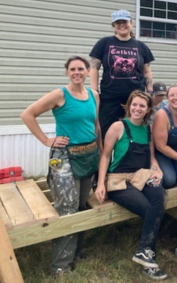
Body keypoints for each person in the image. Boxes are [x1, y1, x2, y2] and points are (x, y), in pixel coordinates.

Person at [21, 55, 101, 276]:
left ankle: (74, 253)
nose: (77, 72)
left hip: (88, 155)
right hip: (64, 157)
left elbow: (96, 125)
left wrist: (101, 152)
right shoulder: (59, 95)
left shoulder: (94, 95)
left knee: (82, 205)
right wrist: (47, 140)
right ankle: (60, 266)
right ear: (67, 72)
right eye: (72, 69)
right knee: (67, 209)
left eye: (81, 69)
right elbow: (27, 114)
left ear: (87, 72)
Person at [94, 90, 168, 280]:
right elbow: (104, 156)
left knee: (160, 196)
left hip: (141, 176)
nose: (137, 109)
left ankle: (143, 251)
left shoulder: (148, 130)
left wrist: (157, 170)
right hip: (118, 179)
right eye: (134, 105)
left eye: (142, 106)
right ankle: (149, 258)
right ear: (128, 106)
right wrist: (101, 183)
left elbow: (151, 158)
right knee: (148, 209)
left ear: (148, 110)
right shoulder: (117, 127)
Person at [89, 9, 155, 138]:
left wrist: (150, 92)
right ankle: (104, 158)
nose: (121, 25)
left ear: (131, 23)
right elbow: (93, 68)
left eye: (124, 21)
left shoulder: (141, 46)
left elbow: (146, 71)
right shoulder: (104, 43)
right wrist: (94, 91)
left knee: (133, 135)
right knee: (105, 135)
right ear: (113, 25)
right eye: (117, 22)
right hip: (110, 98)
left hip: (134, 100)